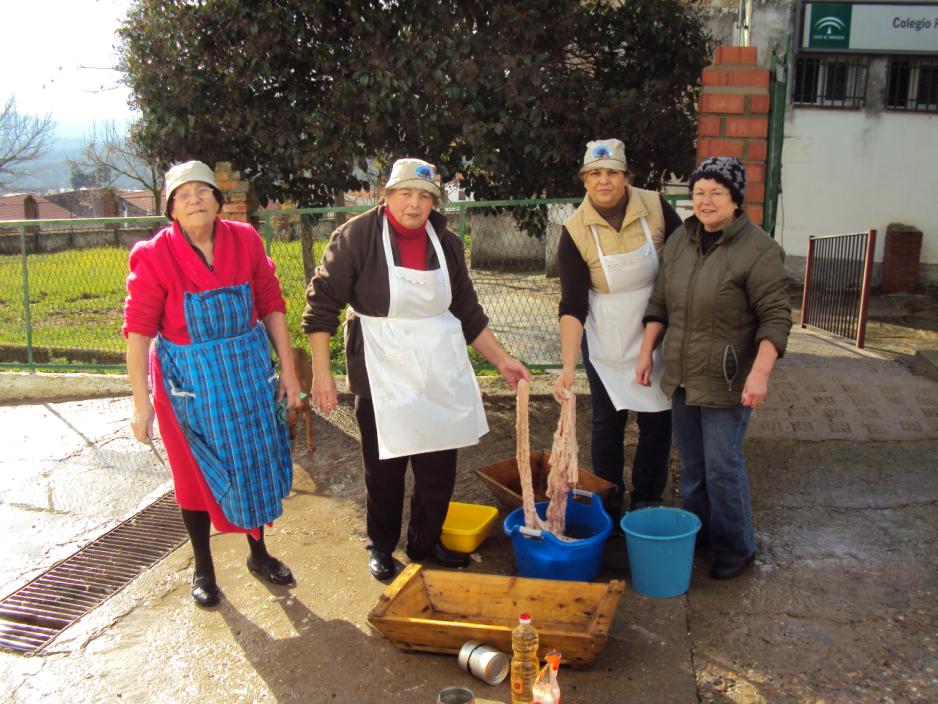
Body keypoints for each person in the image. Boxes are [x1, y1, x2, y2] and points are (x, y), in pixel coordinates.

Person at [301, 158, 529, 581]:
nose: (415, 204)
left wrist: (503, 360)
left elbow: (468, 312)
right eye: (406, 193)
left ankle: (426, 543)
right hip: (380, 365)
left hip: (437, 368)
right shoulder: (356, 237)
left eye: (425, 196)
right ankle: (383, 546)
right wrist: (321, 373)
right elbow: (321, 309)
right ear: (386, 196)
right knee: (384, 467)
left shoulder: (446, 242)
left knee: (438, 467)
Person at [123, 160, 302, 607]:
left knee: (252, 465)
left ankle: (258, 555)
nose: (194, 199)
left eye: (202, 190)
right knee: (194, 478)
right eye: (183, 194)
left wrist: (289, 371)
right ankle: (203, 569)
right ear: (170, 209)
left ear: (219, 201)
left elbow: (271, 306)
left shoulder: (245, 240)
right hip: (189, 388)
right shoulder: (153, 255)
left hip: (246, 376)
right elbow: (139, 332)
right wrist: (140, 404)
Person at [636, 156, 792, 580]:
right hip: (683, 375)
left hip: (728, 380)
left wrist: (760, 373)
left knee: (722, 465)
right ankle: (700, 534)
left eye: (716, 193)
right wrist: (648, 350)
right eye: (699, 192)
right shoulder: (681, 242)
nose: (704, 201)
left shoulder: (758, 250)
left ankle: (735, 547)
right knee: (693, 466)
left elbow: (775, 318)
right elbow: (661, 303)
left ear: (735, 199)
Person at [554, 139, 683, 521]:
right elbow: (573, 305)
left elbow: (683, 260)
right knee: (607, 423)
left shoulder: (657, 208)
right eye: (595, 174)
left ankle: (647, 497)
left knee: (658, 419)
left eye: (612, 172)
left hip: (657, 326)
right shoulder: (574, 230)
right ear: (584, 180)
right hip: (607, 336)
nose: (604, 181)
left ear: (626, 177)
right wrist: (566, 368)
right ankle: (608, 501)